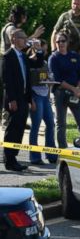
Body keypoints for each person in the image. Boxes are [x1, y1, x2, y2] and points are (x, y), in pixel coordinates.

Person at [3, 29, 38, 171]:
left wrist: (31, 100)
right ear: (14, 39)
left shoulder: (23, 56)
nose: (25, 40)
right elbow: (6, 80)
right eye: (22, 38)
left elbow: (33, 70)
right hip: (14, 99)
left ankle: (14, 157)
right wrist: (11, 99)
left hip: (24, 98)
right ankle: (9, 159)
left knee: (20, 128)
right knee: (12, 128)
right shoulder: (7, 56)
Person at [49, 32, 80, 150]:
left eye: (63, 41)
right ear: (55, 43)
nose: (60, 43)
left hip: (75, 93)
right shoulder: (53, 58)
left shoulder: (74, 55)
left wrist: (78, 88)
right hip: (60, 93)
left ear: (67, 42)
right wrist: (73, 88)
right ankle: (63, 149)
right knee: (61, 124)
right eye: (58, 41)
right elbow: (57, 79)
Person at [27, 39, 56, 165]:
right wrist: (30, 100)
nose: (44, 52)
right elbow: (27, 83)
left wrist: (51, 81)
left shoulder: (45, 62)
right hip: (35, 96)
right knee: (36, 125)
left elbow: (50, 79)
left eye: (44, 50)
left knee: (50, 124)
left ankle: (51, 154)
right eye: (42, 49)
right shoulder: (30, 62)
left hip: (45, 97)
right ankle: (35, 157)